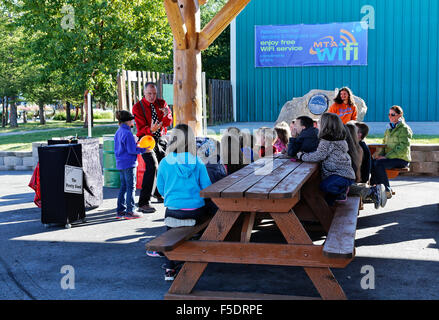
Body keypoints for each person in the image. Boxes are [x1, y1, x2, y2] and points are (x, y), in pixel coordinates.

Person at [156, 124, 212, 281]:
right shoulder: (197, 162)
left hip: (173, 210)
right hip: (195, 210)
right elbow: (207, 189)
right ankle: (198, 254)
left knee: (170, 232)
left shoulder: (165, 162)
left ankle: (169, 267)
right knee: (208, 217)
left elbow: (160, 189)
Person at [296, 113, 355, 206]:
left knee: (325, 186)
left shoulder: (326, 142)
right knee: (326, 200)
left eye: (320, 122)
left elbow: (318, 156)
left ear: (326, 126)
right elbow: (320, 153)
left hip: (340, 176)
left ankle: (342, 191)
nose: (318, 124)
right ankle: (325, 214)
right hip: (342, 175)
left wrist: (302, 156)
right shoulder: (339, 141)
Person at [132, 82, 173, 213]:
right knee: (152, 166)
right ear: (144, 93)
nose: (152, 96)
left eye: (154, 93)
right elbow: (140, 127)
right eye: (149, 93)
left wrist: (166, 114)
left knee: (163, 165)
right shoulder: (138, 107)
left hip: (160, 139)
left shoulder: (162, 103)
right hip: (145, 140)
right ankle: (143, 202)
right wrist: (151, 129)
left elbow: (168, 122)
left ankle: (158, 192)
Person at [370, 105, 412, 199]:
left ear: (399, 115)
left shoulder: (405, 129)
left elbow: (403, 148)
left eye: (393, 114)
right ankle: (373, 188)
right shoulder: (388, 129)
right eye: (389, 114)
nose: (390, 116)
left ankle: (387, 190)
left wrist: (386, 157)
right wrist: (378, 155)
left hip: (401, 159)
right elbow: (384, 145)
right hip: (390, 158)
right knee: (373, 162)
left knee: (379, 163)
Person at [114, 111, 147, 219]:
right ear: (128, 121)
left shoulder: (119, 131)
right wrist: (144, 149)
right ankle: (130, 211)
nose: (133, 121)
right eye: (132, 119)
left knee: (123, 187)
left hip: (120, 163)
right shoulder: (127, 133)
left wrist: (135, 143)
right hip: (129, 163)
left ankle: (120, 211)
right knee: (131, 187)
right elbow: (132, 150)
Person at [345, 121, 387, 209]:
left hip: (359, 179)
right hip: (359, 178)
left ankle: (372, 192)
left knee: (341, 185)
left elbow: (358, 170)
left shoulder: (358, 148)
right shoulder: (358, 146)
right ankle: (372, 192)